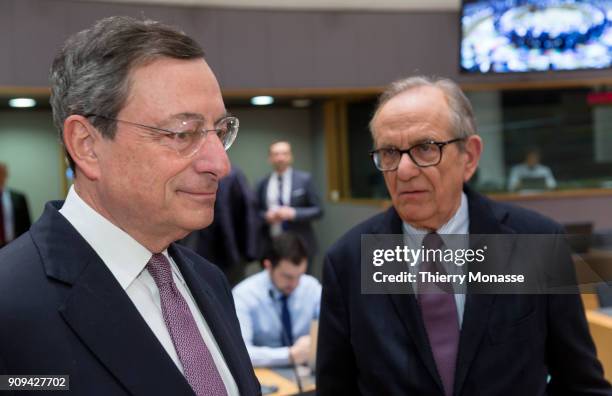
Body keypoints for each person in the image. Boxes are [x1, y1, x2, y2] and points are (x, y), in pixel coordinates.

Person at [0, 16, 260, 396]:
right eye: (182, 133)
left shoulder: (210, 281)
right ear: (86, 144)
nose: (219, 164)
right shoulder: (11, 302)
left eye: (220, 131)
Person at [316, 76, 611, 395]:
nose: (403, 170)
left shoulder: (534, 243)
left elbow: (580, 383)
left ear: (469, 157)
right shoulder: (349, 260)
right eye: (389, 153)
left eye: (425, 148)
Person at [233, 232, 321, 367]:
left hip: (306, 370)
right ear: (268, 266)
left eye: (299, 276)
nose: (295, 284)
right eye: (287, 276)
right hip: (264, 374)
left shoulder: (312, 287)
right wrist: (290, 355)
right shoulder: (243, 295)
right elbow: (240, 354)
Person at [255, 141, 323, 260]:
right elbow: (256, 212)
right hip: (271, 243)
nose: (280, 158)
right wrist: (266, 216)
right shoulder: (263, 182)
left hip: (300, 243)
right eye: (276, 154)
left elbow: (319, 210)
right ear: (270, 158)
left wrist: (294, 213)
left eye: (284, 153)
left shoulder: (305, 179)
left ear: (290, 156)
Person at [0, 162, 31, 248]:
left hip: (13, 245)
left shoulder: (19, 198)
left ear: (6, 175)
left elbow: (27, 225)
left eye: (2, 173)